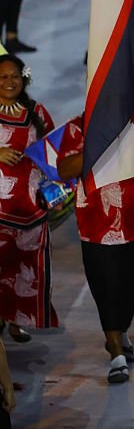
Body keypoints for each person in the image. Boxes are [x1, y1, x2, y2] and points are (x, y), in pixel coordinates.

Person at [56, 114, 134, 383]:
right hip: (97, 222)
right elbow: (65, 170)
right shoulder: (78, 127)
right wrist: (101, 143)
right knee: (106, 288)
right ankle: (116, 355)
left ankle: (120, 334)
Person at [0, 55, 57, 340]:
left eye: (15, 76)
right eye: (3, 77)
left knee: (25, 270)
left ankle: (15, 320)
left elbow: (54, 154)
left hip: (30, 208)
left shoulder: (36, 111)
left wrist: (55, 195)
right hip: (0, 210)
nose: (10, 82)